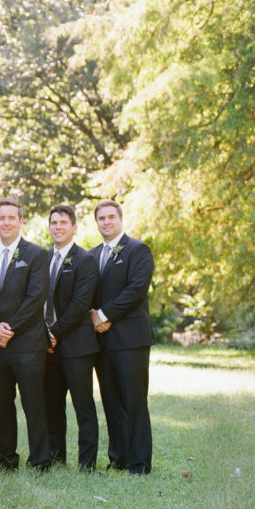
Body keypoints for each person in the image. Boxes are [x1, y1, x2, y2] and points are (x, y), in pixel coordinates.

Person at [0, 197, 50, 471]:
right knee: (0, 403)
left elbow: (36, 298)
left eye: (11, 218)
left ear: (21, 221)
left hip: (28, 343)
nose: (6, 222)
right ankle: (7, 459)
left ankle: (40, 461)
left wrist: (9, 329)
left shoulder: (36, 254)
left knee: (34, 403)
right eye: (1, 218)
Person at [90, 199, 155, 474]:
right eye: (101, 218)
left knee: (134, 400)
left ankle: (139, 463)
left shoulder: (138, 250)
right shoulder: (91, 255)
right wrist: (92, 315)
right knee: (111, 401)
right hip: (102, 342)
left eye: (110, 218)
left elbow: (135, 290)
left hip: (131, 339)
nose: (106, 222)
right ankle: (119, 458)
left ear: (120, 219)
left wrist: (103, 315)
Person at [43, 204, 100, 470]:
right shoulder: (43, 259)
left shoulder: (85, 259)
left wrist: (53, 333)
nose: (58, 227)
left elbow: (80, 304)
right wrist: (45, 336)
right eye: (54, 223)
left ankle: (86, 463)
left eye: (63, 223)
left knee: (83, 407)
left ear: (74, 227)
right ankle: (56, 459)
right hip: (49, 349)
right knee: (52, 407)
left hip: (77, 346)